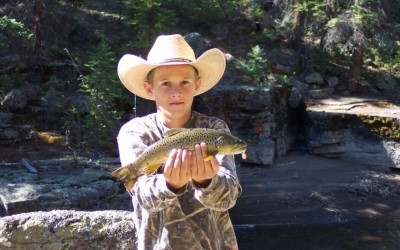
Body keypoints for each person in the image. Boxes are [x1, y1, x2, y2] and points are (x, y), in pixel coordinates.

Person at [116, 34, 242, 250]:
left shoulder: (216, 131)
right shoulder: (134, 132)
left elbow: (228, 197)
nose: (176, 91)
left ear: (197, 84)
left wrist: (206, 182)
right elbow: (142, 195)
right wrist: (170, 184)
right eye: (166, 83)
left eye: (184, 82)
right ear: (149, 88)